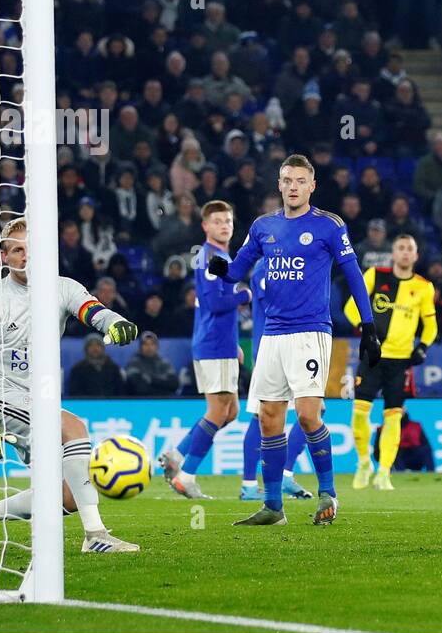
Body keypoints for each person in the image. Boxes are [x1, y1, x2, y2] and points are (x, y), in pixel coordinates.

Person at [0, 217, 142, 553]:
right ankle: (95, 535)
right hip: (0, 396)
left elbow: (96, 312)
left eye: (32, 248)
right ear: (5, 256)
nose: (26, 256)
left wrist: (118, 322)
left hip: (38, 397)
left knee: (66, 495)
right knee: (73, 427)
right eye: (18, 250)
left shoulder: (63, 287)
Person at [208, 155, 380, 526]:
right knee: (269, 418)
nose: (293, 187)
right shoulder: (263, 226)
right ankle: (273, 507)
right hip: (272, 334)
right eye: (287, 180)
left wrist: (368, 325)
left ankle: (328, 494)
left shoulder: (329, 226)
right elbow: (238, 270)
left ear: (312, 185)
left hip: (310, 331)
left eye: (300, 181)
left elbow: (353, 274)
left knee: (306, 414)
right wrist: (221, 272)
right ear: (279, 184)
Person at [158, 200, 251, 499]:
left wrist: (233, 343)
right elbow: (213, 303)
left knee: (231, 411)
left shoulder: (218, 255)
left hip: (220, 343)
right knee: (218, 410)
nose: (225, 225)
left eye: (228, 220)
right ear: (205, 226)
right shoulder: (210, 257)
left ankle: (177, 455)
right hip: (213, 344)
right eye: (218, 221)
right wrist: (244, 295)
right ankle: (186, 474)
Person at [343, 233, 437, 490]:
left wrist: (423, 347)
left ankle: (384, 472)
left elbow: (430, 325)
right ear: (393, 253)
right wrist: (366, 332)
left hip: (400, 362)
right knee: (360, 412)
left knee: (393, 417)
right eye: (401, 248)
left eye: (410, 248)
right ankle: (364, 463)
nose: (406, 252)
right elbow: (351, 308)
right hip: (372, 357)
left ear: (416, 256)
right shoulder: (375, 275)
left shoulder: (424, 287)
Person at [238, 256, 314, 502]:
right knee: (262, 414)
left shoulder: (291, 263)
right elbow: (276, 302)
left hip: (294, 346)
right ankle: (252, 484)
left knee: (312, 409)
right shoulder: (265, 266)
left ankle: (282, 476)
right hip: (272, 347)